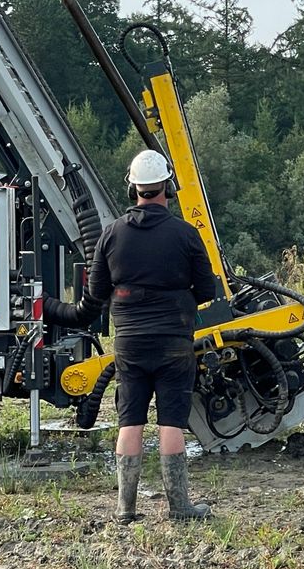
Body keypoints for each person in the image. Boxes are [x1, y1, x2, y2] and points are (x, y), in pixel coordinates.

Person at [45, 150, 217, 523]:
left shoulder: (111, 234)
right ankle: (180, 508)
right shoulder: (186, 234)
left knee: (130, 420)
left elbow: (95, 297)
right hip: (174, 341)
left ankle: (125, 508)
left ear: (132, 189)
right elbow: (206, 291)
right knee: (171, 420)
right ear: (167, 186)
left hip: (130, 344)